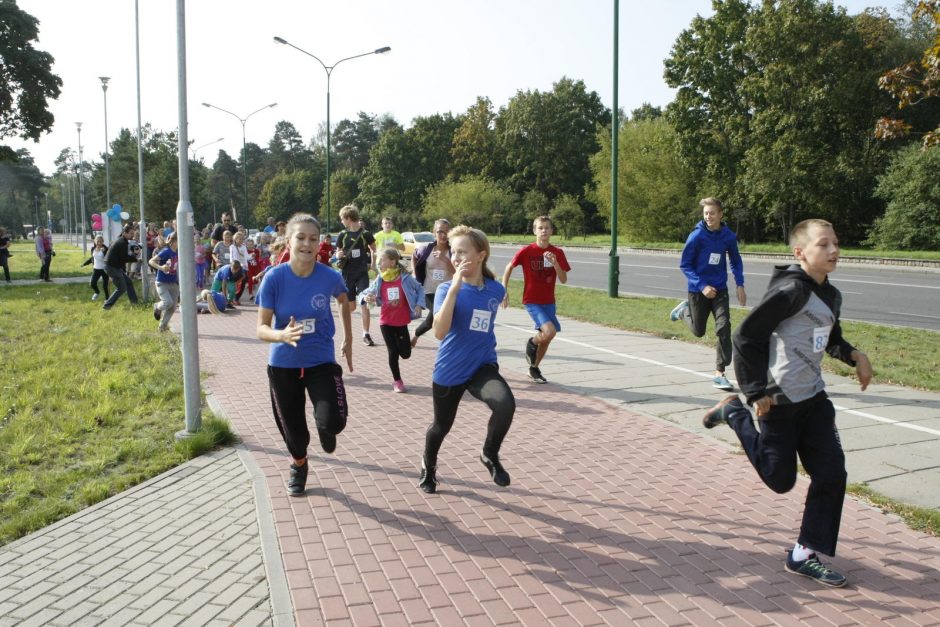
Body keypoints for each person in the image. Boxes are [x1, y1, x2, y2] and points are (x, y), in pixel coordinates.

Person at [702, 219, 873, 588]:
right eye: (824, 244)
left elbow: (829, 338)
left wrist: (855, 355)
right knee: (781, 480)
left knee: (832, 474)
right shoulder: (790, 291)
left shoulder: (832, 295)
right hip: (776, 401)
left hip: (814, 401)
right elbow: (746, 338)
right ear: (800, 252)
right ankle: (734, 412)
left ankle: (804, 553)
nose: (834, 251)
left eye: (836, 243)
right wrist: (754, 392)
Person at [256, 213, 354, 497]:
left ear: (320, 243)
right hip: (283, 363)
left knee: (334, 421)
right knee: (295, 433)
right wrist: (281, 335)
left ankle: (326, 427)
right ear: (289, 240)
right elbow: (261, 328)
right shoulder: (274, 278)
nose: (307, 244)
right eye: (300, 238)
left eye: (313, 239)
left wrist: (347, 338)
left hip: (320, 360)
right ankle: (299, 465)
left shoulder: (330, 276)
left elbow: (344, 299)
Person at [418, 225, 515, 494]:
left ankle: (489, 454)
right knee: (441, 426)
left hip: (482, 365)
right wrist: (454, 290)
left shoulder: (495, 290)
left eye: (463, 251)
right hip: (450, 369)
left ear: (481, 255)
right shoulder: (445, 289)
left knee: (505, 404)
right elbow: (439, 332)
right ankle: (429, 465)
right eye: (453, 252)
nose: (456, 257)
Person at [671, 198, 746, 391]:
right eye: (705, 213)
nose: (708, 217)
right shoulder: (696, 236)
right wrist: (702, 286)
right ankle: (683, 312)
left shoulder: (728, 236)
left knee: (723, 326)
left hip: (720, 289)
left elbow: (735, 261)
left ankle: (719, 373)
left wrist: (740, 284)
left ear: (721, 214)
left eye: (712, 213)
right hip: (698, 291)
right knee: (698, 331)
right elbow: (685, 265)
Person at [501, 215, 571, 384]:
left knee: (548, 337)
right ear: (534, 231)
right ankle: (532, 342)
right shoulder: (527, 251)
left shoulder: (557, 252)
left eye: (547, 228)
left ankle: (534, 368)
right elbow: (508, 267)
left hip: (549, 301)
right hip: (532, 300)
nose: (544, 231)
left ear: (552, 231)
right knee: (549, 332)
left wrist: (555, 263)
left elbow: (563, 279)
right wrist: (503, 290)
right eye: (540, 228)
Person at [361, 248, 424, 392]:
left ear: (392, 261)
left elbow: (420, 289)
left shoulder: (405, 278)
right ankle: (397, 382)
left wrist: (420, 304)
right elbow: (365, 293)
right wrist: (366, 298)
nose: (379, 263)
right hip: (386, 322)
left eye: (382, 260)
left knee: (406, 354)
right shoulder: (380, 279)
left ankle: (402, 343)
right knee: (393, 352)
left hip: (401, 321)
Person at [335, 205, 377, 346]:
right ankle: (347, 333)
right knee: (351, 307)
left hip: (362, 273)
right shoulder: (342, 235)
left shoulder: (365, 234)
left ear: (348, 218)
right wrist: (338, 254)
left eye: (342, 219)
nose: (341, 221)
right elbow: (337, 252)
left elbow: (374, 249)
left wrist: (373, 263)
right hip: (347, 274)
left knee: (364, 303)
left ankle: (366, 334)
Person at [411, 219, 454, 347]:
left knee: (431, 321)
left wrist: (445, 260)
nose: (443, 235)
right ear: (434, 232)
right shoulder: (426, 250)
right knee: (440, 316)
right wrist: (414, 273)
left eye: (447, 232)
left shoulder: (453, 252)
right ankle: (446, 344)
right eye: (440, 231)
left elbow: (457, 273)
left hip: (446, 292)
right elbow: (414, 255)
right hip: (428, 291)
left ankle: (416, 333)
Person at [102, 225, 140, 310]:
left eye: (133, 233)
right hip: (112, 267)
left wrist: (134, 255)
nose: (132, 235)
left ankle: (135, 303)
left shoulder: (122, 241)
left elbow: (122, 258)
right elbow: (124, 259)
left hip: (114, 266)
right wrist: (135, 256)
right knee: (122, 288)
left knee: (129, 282)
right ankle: (107, 305)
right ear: (124, 233)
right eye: (131, 233)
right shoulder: (122, 243)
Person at [149, 232, 180, 332]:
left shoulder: (179, 252)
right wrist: (161, 267)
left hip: (173, 283)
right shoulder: (166, 251)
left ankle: (162, 327)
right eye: (179, 240)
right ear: (173, 241)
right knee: (168, 302)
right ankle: (157, 306)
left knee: (173, 307)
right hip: (162, 282)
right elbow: (151, 261)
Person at [81, 235, 110, 301]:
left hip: (104, 270)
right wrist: (84, 264)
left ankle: (107, 299)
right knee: (92, 283)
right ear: (95, 241)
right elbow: (92, 258)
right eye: (98, 241)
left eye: (101, 241)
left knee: (105, 286)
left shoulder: (105, 249)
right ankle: (97, 292)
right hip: (96, 269)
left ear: (103, 241)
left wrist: (104, 251)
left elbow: (108, 258)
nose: (99, 243)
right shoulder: (93, 249)